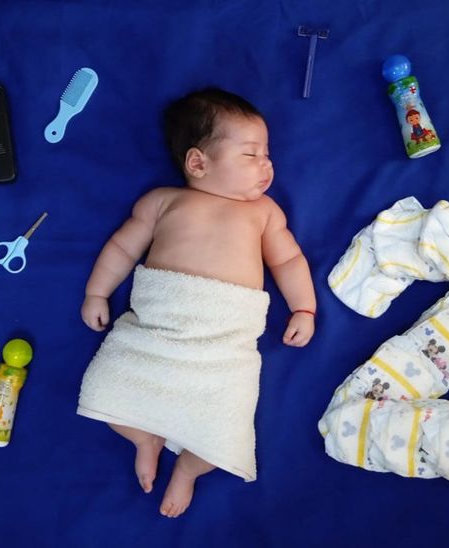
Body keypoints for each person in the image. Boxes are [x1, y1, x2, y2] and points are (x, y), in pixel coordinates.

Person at [78, 88, 316, 518]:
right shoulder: (162, 202)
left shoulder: (263, 212)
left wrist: (304, 307)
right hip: (155, 336)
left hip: (223, 350)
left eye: (267, 154)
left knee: (225, 435)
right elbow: (121, 249)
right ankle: (143, 438)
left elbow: (289, 259)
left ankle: (188, 468)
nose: (266, 165)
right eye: (251, 155)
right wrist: (97, 292)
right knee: (102, 394)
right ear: (198, 163)